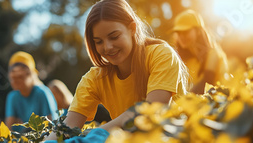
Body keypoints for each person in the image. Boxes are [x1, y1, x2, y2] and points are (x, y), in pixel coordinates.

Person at [46, 0, 189, 140]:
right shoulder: (94, 78)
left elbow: (152, 112)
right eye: (98, 42)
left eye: (114, 37)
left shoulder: (161, 55)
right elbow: (68, 126)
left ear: (132, 28)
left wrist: (95, 132)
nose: (107, 47)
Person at [171, 9, 229, 94]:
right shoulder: (186, 61)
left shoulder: (213, 54)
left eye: (185, 32)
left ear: (198, 31)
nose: (181, 36)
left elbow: (206, 84)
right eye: (178, 33)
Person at [5, 51, 58, 129]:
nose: (16, 81)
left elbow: (52, 126)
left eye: (20, 77)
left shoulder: (42, 93)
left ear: (31, 75)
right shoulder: (12, 96)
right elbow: (9, 129)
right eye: (13, 77)